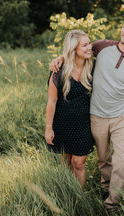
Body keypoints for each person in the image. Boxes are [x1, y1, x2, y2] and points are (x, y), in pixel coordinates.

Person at [50, 15, 124, 212]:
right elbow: (78, 49)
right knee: (103, 159)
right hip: (96, 116)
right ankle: (105, 188)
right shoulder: (103, 46)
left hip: (122, 116)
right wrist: (60, 57)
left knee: (122, 160)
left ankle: (112, 204)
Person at [45, 30, 95, 189]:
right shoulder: (58, 71)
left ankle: (78, 196)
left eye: (89, 43)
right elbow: (51, 101)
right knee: (66, 161)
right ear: (73, 50)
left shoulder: (93, 67)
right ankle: (68, 191)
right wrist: (48, 128)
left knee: (78, 162)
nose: (90, 47)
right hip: (63, 122)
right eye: (85, 45)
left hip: (84, 123)